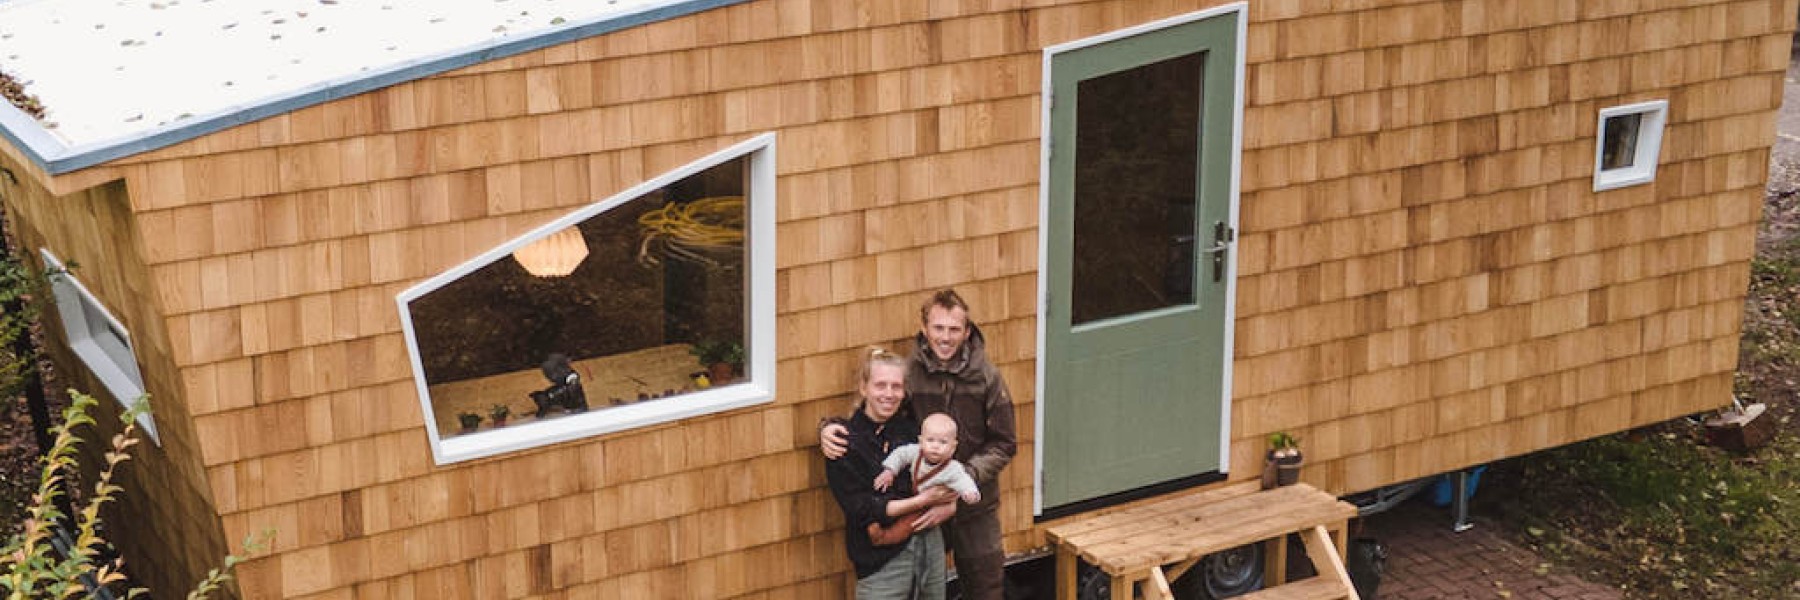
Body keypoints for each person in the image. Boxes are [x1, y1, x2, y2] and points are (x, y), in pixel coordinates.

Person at [822, 289, 1017, 600]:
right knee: (926, 586)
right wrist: (829, 427)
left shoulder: (986, 378)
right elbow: (880, 416)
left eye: (954, 329)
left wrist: (959, 481)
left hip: (974, 504)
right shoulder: (910, 374)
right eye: (938, 328)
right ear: (925, 329)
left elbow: (1004, 443)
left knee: (986, 586)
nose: (945, 337)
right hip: (922, 503)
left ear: (966, 332)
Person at [826, 348, 959, 599]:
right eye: (880, 385)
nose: (889, 394)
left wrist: (950, 504)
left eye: (896, 386)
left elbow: (946, 471)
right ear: (864, 388)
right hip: (881, 562)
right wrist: (921, 501)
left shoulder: (914, 430)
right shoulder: (845, 442)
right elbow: (861, 509)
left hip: (929, 543)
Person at [874, 413, 981, 505]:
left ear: (953, 447)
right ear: (921, 441)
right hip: (913, 498)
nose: (935, 446)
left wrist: (970, 493)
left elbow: (963, 480)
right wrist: (890, 470)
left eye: (943, 442)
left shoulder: (953, 468)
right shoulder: (916, 452)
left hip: (934, 505)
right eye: (930, 440)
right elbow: (900, 454)